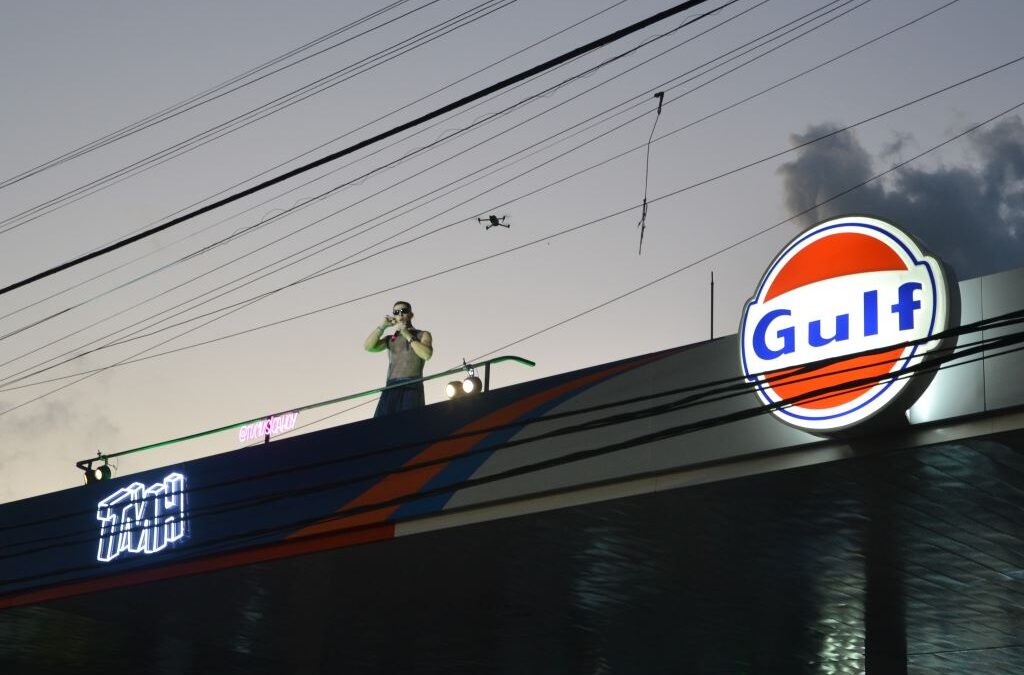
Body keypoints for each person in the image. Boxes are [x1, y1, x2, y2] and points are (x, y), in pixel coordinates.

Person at [364, 301, 433, 417]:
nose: (400, 315)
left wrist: (407, 334)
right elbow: (368, 347)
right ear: (394, 316)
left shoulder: (422, 334)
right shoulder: (391, 339)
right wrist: (382, 326)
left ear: (411, 314)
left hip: (412, 385)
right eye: (396, 312)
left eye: (404, 311)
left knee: (411, 423)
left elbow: (426, 354)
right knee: (380, 426)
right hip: (391, 387)